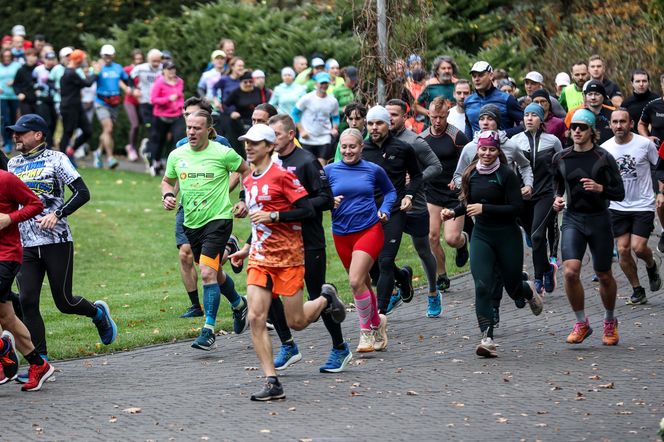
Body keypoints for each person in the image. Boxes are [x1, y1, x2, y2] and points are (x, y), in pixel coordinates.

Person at [228, 124, 346, 401]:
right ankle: (272, 382)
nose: (248, 147)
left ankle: (326, 298)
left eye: (255, 143)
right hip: (260, 258)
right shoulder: (248, 180)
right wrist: (246, 249)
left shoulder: (282, 176)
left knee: (297, 322)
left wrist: (275, 217)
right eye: (247, 142)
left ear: (269, 146)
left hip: (289, 257)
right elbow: (258, 223)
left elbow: (307, 209)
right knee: (256, 318)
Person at [7, 114, 117, 373]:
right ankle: (40, 363)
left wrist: (57, 214)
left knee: (64, 301)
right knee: (27, 301)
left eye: (21, 132)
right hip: (25, 243)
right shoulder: (13, 165)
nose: (15, 136)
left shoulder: (57, 159)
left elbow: (82, 192)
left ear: (38, 135)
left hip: (56, 239)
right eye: (14, 132)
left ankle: (98, 314)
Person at [441, 130, 543, 358]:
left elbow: (517, 208)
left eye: (492, 149)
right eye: (483, 149)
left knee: (512, 286)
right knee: (482, 285)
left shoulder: (507, 175)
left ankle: (526, 290)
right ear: (477, 150)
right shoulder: (470, 174)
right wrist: (452, 212)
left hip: (507, 235)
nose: (487, 153)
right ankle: (487, 337)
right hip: (482, 236)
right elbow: (468, 204)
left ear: (498, 151)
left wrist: (485, 208)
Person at [265, 114, 351, 373]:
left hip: (308, 240)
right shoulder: (271, 163)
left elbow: (326, 199)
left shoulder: (307, 161)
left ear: (291, 134)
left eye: (276, 135)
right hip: (280, 241)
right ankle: (288, 345)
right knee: (267, 291)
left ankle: (339, 348)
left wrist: (295, 205)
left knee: (315, 295)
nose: (272, 140)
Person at [162, 110, 250, 350]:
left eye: (197, 128)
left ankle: (208, 330)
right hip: (191, 222)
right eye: (189, 127)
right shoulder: (177, 155)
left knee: (207, 274)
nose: (191, 132)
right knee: (215, 271)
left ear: (208, 130)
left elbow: (246, 171)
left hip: (218, 219)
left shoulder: (222, 153)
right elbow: (167, 181)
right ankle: (240, 304)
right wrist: (168, 195)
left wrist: (242, 198)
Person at [552, 109, 625, 346]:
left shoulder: (603, 157)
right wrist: (557, 199)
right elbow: (557, 186)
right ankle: (581, 323)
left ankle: (610, 321)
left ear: (592, 131)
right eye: (573, 127)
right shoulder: (561, 158)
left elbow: (620, 193)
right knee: (570, 271)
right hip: (573, 219)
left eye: (582, 127)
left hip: (599, 219)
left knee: (604, 274)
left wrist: (600, 188)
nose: (577, 131)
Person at [325, 128, 396, 352]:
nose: (348, 151)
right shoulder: (328, 171)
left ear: (361, 147)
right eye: (344, 147)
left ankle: (366, 332)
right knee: (363, 282)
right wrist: (329, 200)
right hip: (341, 233)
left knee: (355, 281)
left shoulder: (373, 170)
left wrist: (385, 209)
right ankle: (378, 322)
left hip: (369, 229)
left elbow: (391, 192)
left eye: (352, 146)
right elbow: (314, 196)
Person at [173, 97, 235, 318]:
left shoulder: (222, 144)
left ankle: (229, 248)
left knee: (210, 268)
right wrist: (171, 194)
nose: (190, 124)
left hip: (214, 211)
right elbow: (178, 175)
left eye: (195, 118)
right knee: (185, 254)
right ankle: (195, 305)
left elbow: (238, 169)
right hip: (187, 208)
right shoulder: (180, 146)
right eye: (186, 118)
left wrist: (221, 192)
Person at [386, 98, 444, 317]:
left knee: (422, 249)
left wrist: (415, 178)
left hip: (415, 203)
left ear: (405, 117)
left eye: (394, 114)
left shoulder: (415, 141)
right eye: (387, 114)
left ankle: (432, 291)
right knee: (384, 252)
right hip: (389, 204)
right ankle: (396, 285)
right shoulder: (377, 140)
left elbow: (436, 166)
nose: (390, 118)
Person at [362, 106, 422, 314]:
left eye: (379, 123)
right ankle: (403, 277)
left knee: (385, 260)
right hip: (367, 212)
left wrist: (409, 195)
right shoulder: (361, 149)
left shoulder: (402, 148)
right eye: (370, 123)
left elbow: (417, 176)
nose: (374, 127)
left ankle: (380, 314)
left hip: (394, 210)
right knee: (372, 265)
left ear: (388, 124)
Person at [0, 166, 55, 391]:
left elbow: (36, 204)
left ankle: (4, 351)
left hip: (6, 256)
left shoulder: (6, 179)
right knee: (7, 317)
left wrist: (10, 218)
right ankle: (38, 365)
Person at [601, 108, 661, 305]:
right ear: (610, 125)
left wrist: (660, 191)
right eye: (615, 122)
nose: (619, 126)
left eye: (623, 122)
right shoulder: (605, 148)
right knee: (623, 250)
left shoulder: (644, 145)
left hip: (643, 203)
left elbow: (660, 167)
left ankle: (651, 265)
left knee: (639, 247)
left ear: (631, 123)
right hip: (617, 205)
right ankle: (637, 289)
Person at [419, 97, 469, 299]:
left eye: (441, 117)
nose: (437, 121)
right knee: (431, 236)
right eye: (433, 117)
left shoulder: (457, 137)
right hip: (432, 192)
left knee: (451, 238)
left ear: (447, 115)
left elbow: (469, 163)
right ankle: (442, 275)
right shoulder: (422, 138)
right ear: (428, 115)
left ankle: (463, 242)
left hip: (454, 194)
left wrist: (460, 182)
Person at [512, 103, 563, 294]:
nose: (529, 118)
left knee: (537, 235)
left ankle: (539, 277)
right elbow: (511, 169)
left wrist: (559, 194)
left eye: (534, 115)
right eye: (526, 115)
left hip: (545, 195)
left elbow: (560, 170)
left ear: (542, 119)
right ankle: (549, 269)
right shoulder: (515, 141)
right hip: (523, 196)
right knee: (534, 239)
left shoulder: (553, 141)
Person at [93, 44, 133, 169]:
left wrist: (128, 88)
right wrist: (95, 69)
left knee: (107, 131)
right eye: (105, 55)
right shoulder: (99, 67)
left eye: (110, 55)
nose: (107, 57)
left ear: (113, 55)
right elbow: (90, 79)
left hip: (114, 103)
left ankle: (98, 152)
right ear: (102, 55)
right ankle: (110, 158)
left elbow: (125, 80)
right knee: (108, 128)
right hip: (101, 102)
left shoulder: (118, 68)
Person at [637, 73, 664, 253]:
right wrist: (647, 138)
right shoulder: (653, 105)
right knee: (661, 199)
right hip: (659, 159)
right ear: (662, 84)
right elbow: (641, 124)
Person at [464, 61, 523, 138]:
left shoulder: (507, 99)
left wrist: (502, 134)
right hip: (476, 148)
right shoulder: (468, 101)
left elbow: (524, 125)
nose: (476, 79)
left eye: (481, 75)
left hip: (502, 147)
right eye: (474, 76)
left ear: (491, 76)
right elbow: (468, 127)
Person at [292, 72, 340, 165]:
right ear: (316, 84)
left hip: (324, 137)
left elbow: (335, 116)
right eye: (322, 83)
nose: (324, 85)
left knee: (322, 165)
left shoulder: (332, 101)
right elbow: (295, 113)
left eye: (326, 83)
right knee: (308, 164)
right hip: (308, 138)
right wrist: (301, 130)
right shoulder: (307, 98)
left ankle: (321, 180)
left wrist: (335, 128)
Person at [58, 50, 99, 159]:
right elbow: (87, 83)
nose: (84, 61)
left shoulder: (73, 72)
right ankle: (61, 158)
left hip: (77, 107)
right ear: (78, 60)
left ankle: (71, 150)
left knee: (88, 131)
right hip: (69, 107)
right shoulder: (70, 73)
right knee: (68, 132)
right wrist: (96, 72)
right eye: (83, 59)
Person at [147, 61, 184, 177]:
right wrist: (168, 99)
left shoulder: (180, 82)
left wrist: (182, 107)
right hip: (161, 116)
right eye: (169, 69)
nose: (172, 71)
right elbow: (153, 100)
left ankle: (174, 164)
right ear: (163, 71)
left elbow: (180, 97)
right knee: (159, 141)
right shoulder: (159, 82)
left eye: (173, 69)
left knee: (178, 139)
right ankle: (155, 163)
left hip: (176, 115)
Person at [130, 48, 163, 163]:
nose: (155, 64)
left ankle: (149, 151)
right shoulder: (140, 68)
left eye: (158, 61)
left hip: (158, 104)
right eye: (153, 61)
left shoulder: (163, 69)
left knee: (158, 132)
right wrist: (134, 89)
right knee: (151, 129)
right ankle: (150, 155)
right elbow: (130, 77)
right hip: (145, 103)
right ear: (148, 59)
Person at [564, 80, 614, 144]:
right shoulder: (577, 115)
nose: (593, 97)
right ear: (585, 96)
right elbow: (569, 137)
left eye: (597, 94)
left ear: (603, 96)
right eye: (590, 94)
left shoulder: (612, 114)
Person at [415, 56, 457, 127]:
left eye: (449, 68)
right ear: (437, 70)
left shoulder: (458, 85)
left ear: (453, 70)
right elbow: (415, 105)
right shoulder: (429, 85)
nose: (447, 71)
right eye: (443, 68)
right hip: (431, 127)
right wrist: (429, 113)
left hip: (453, 126)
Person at [122, 49, 143, 162]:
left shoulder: (144, 70)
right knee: (134, 124)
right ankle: (131, 148)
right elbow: (119, 79)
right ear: (133, 59)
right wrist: (126, 88)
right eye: (137, 59)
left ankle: (135, 147)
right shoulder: (128, 69)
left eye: (140, 59)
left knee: (142, 125)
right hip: (130, 101)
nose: (139, 61)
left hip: (142, 102)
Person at [0, 48, 20, 153]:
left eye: (9, 56)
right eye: (5, 56)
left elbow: (21, 77)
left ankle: (13, 140)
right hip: (2, 97)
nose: (7, 58)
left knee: (13, 120)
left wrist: (14, 81)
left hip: (14, 96)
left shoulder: (16, 65)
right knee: (4, 119)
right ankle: (7, 142)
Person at [13, 48, 39, 116]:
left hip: (37, 100)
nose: (35, 58)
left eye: (36, 56)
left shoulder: (39, 69)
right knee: (27, 120)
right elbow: (15, 84)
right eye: (32, 56)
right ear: (27, 56)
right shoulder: (21, 70)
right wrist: (19, 93)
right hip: (25, 100)